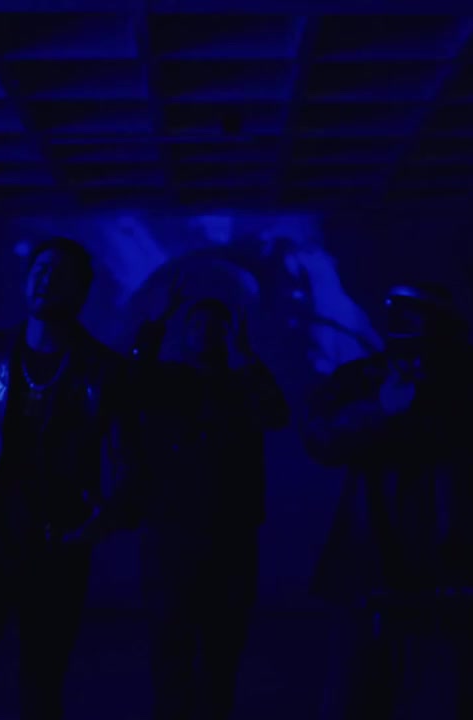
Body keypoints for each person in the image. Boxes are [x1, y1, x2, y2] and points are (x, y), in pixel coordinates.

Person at [305, 285, 473, 720]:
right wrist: (380, 408)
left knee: (456, 697)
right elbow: (320, 438)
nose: (417, 357)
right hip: (371, 567)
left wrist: (440, 397)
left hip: (463, 570)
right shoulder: (365, 378)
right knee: (355, 696)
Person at [0, 237, 126, 720]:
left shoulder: (103, 369)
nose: (47, 278)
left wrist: (103, 520)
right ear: (25, 281)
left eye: (60, 272)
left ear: (81, 291)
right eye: (40, 268)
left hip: (57, 547)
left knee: (41, 684)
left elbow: (130, 461)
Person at [128, 294, 290, 720]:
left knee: (223, 648)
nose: (206, 331)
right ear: (183, 334)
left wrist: (247, 357)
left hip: (232, 536)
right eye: (197, 324)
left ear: (228, 335)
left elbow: (277, 413)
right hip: (169, 536)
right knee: (169, 647)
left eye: (216, 325)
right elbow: (127, 385)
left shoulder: (242, 385)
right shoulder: (165, 381)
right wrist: (154, 325)